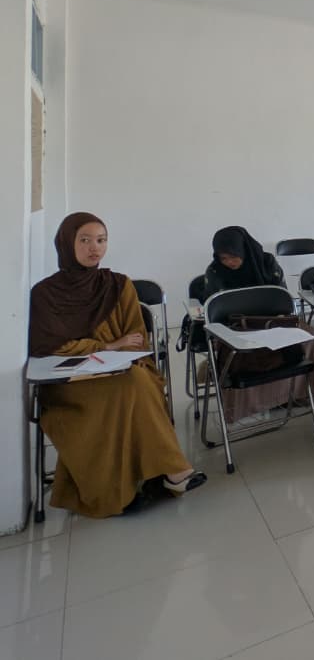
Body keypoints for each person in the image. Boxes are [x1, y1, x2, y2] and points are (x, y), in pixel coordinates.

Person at [28, 212, 206, 516]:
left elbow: (136, 339)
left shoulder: (118, 285)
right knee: (133, 386)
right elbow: (53, 347)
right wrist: (107, 346)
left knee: (138, 381)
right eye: (84, 240)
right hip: (71, 381)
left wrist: (117, 350)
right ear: (66, 243)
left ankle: (163, 472)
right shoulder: (46, 293)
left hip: (120, 369)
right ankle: (139, 483)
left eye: (101, 240)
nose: (94, 248)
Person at [201, 226, 314, 422]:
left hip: (271, 321)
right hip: (235, 327)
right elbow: (213, 310)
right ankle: (247, 406)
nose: (229, 262)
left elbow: (281, 298)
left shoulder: (266, 263)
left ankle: (295, 395)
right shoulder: (214, 271)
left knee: (309, 335)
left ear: (243, 250)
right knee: (236, 349)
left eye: (233, 256)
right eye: (223, 258)